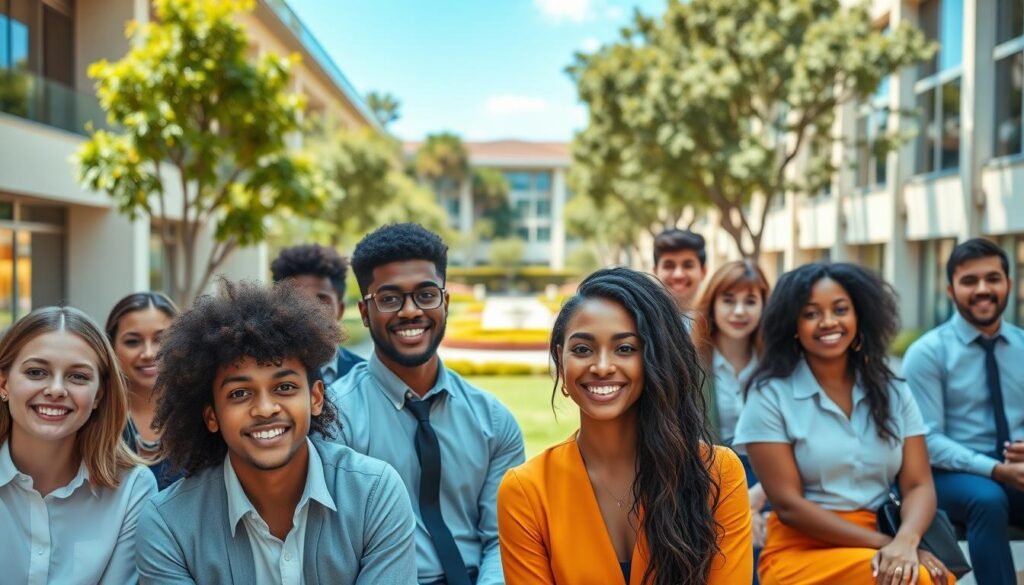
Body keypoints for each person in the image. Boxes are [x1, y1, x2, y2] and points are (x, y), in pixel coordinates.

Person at [136, 281, 416, 584]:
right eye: (240, 393)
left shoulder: (375, 495)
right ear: (211, 416)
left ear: (315, 398)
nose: (266, 408)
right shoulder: (167, 525)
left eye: (284, 387)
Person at [498, 267, 753, 585]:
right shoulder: (526, 492)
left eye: (625, 349)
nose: (602, 366)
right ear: (561, 363)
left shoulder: (718, 474)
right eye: (582, 349)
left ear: (655, 360)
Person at [330, 223, 525, 585]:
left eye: (425, 294)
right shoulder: (334, 419)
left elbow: (503, 539)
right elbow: (336, 549)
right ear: (364, 311)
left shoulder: (494, 422)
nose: (409, 311)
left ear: (445, 301)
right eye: (389, 298)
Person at [734, 263, 952, 585]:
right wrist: (891, 547)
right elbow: (789, 505)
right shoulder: (769, 396)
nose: (828, 322)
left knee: (930, 577)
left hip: (883, 530)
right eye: (811, 314)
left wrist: (907, 541)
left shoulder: (894, 391)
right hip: (802, 548)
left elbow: (919, 485)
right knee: (912, 578)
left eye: (840, 310)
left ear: (859, 316)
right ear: (793, 324)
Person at [0, 306, 157, 584]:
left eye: (78, 377)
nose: (56, 389)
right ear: (3, 383)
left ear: (99, 395)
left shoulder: (132, 488)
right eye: (36, 372)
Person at [902, 238, 1024, 585]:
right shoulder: (927, 353)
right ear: (950, 290)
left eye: (993, 278)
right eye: (970, 281)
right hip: (945, 474)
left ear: (1009, 285)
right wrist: (997, 470)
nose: (983, 289)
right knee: (986, 498)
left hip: (1012, 467)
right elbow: (926, 440)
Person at [693, 259, 771, 580]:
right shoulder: (692, 362)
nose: (739, 311)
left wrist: (757, 497)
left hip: (772, 477)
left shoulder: (778, 365)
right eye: (729, 300)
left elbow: (796, 442)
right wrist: (740, 503)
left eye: (750, 301)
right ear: (711, 304)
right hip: (708, 473)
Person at [106, 291, 181, 489]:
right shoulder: (96, 418)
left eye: (160, 339)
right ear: (111, 348)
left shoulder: (203, 414)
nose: (149, 353)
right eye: (133, 341)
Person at [271, 243, 364, 385]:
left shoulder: (364, 377)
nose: (310, 311)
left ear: (340, 310)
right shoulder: (262, 369)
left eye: (321, 300)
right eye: (296, 300)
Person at [652, 228, 708, 317]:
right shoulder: (639, 323)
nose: (678, 275)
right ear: (655, 272)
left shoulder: (720, 324)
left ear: (703, 271)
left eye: (688, 265)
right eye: (669, 266)